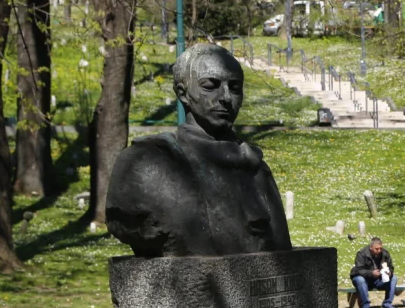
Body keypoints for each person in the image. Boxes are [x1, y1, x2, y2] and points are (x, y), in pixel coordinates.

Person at [106, 43, 291, 257]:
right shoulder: (146, 164)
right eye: (210, 86)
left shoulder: (257, 169)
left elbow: (282, 252)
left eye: (235, 88)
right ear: (183, 94)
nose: (226, 98)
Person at [350, 237, 398, 308]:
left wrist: (389, 272)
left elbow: (390, 266)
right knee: (360, 280)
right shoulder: (362, 253)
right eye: (376, 249)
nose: (379, 251)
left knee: (394, 278)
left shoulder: (384, 253)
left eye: (380, 248)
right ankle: (365, 306)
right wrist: (371, 273)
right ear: (371, 247)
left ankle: (387, 304)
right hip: (365, 279)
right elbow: (358, 270)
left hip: (379, 279)